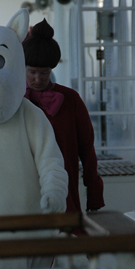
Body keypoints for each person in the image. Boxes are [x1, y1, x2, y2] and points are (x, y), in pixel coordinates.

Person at [23, 18, 105, 213]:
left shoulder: (70, 99)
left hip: (63, 185)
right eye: (32, 72)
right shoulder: (15, 100)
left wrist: (94, 192)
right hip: (23, 185)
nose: (37, 79)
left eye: (44, 73)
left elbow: (86, 147)